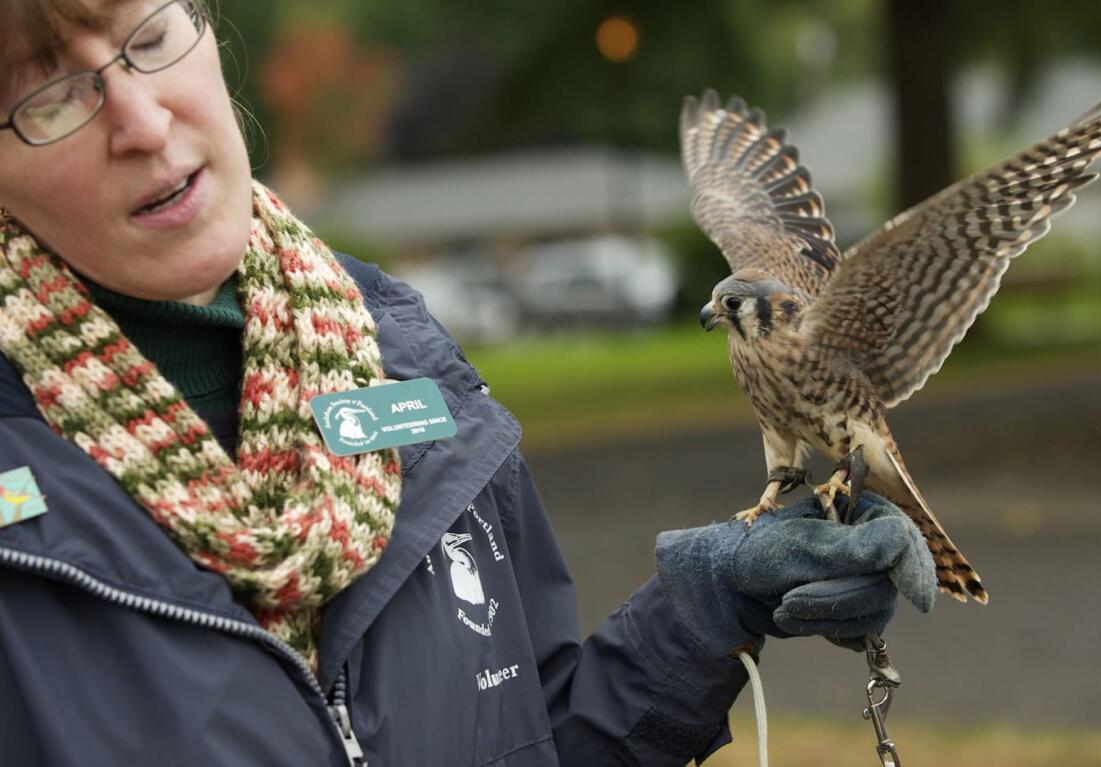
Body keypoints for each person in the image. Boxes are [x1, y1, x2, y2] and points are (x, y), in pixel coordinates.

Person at [0, 1, 937, 764]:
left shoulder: (405, 355)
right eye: (49, 94)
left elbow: (531, 739)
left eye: (153, 38)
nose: (142, 119)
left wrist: (702, 614)